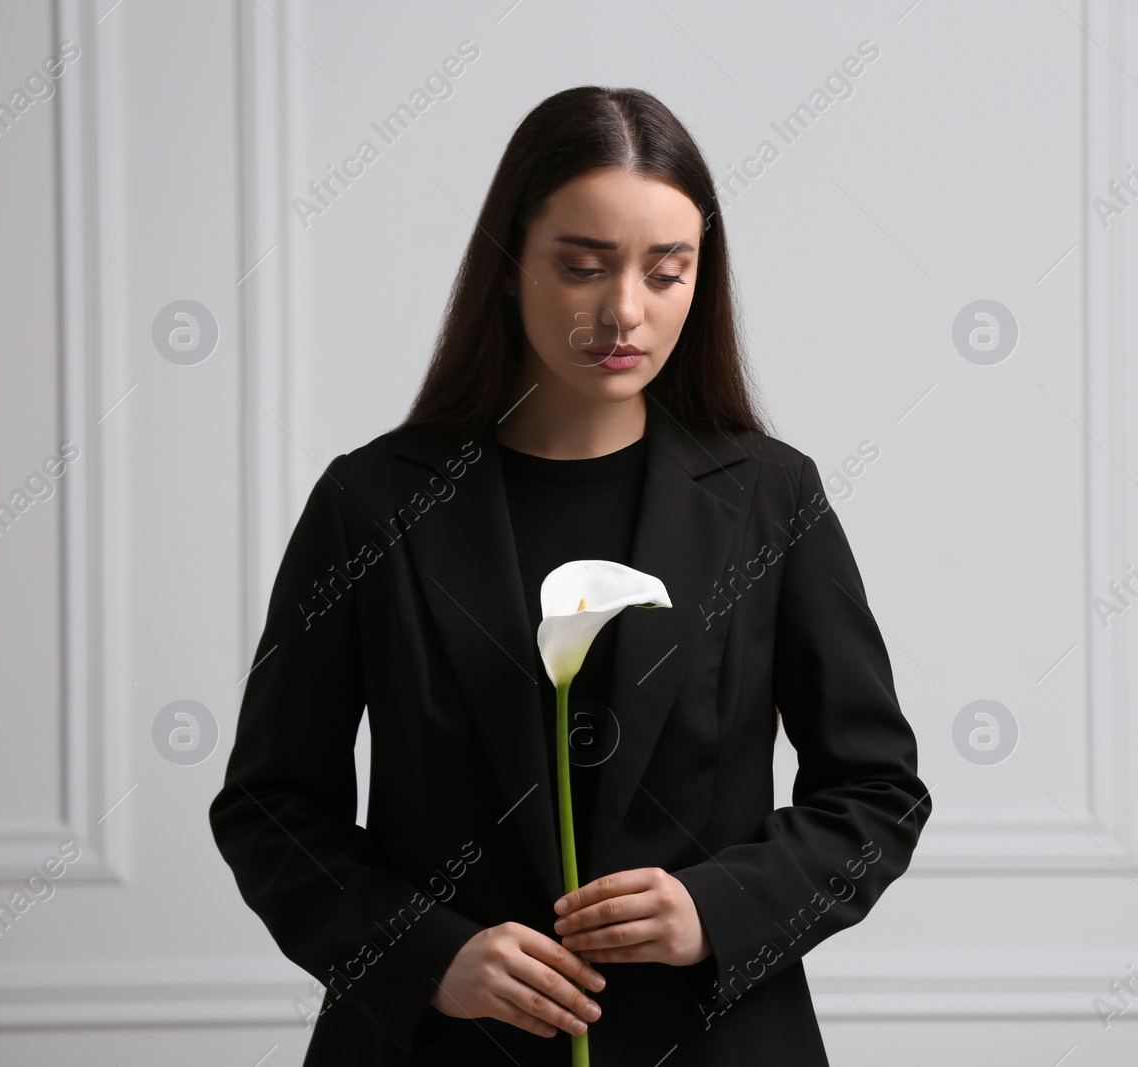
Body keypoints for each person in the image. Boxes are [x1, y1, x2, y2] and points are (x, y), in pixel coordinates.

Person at [208, 85, 931, 1066]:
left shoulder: (769, 497)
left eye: (666, 272)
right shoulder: (373, 501)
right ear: (509, 265)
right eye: (582, 266)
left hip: (711, 1040)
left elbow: (875, 790)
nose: (623, 310)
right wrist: (430, 953)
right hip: (439, 1046)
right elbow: (269, 805)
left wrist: (711, 906)